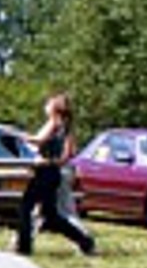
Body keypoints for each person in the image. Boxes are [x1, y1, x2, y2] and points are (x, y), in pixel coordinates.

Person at [16, 92, 95, 256]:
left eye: (48, 104)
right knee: (51, 216)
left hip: (43, 172)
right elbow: (69, 154)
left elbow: (38, 140)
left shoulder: (53, 123)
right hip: (53, 173)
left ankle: (24, 248)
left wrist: (17, 135)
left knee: (25, 207)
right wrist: (56, 162)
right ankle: (85, 242)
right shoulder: (66, 127)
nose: (45, 107)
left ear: (54, 109)